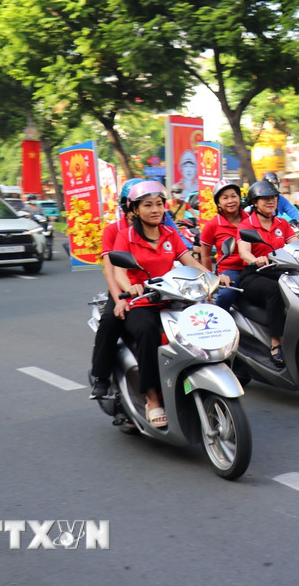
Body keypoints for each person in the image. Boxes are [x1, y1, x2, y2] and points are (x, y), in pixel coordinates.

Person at [112, 181, 230, 427]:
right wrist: (129, 287)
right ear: (134, 209)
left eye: (159, 204)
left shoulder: (169, 234)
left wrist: (213, 277)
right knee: (147, 333)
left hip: (172, 300)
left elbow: (189, 261)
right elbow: (120, 272)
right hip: (141, 302)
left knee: (201, 327)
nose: (155, 209)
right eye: (148, 205)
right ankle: (152, 398)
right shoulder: (126, 236)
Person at [237, 180, 299, 367]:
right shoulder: (246, 225)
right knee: (277, 291)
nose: (270, 201)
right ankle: (276, 343)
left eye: (273, 198)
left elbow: (297, 244)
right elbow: (244, 252)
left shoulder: (282, 223)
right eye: (264, 199)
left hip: (280, 270)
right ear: (254, 203)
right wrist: (255, 259)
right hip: (255, 274)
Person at [88, 177, 146, 399]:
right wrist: (120, 299)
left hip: (157, 288)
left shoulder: (161, 227)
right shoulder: (113, 231)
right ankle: (101, 377)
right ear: (127, 207)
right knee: (111, 321)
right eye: (139, 205)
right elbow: (112, 272)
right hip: (125, 289)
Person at [200, 180, 248, 312]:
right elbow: (205, 255)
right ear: (218, 203)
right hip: (230, 270)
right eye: (225, 198)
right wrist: (209, 283)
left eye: (233, 196)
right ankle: (218, 321)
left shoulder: (251, 219)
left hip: (253, 267)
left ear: (239, 198)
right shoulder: (212, 225)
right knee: (227, 294)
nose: (230, 200)